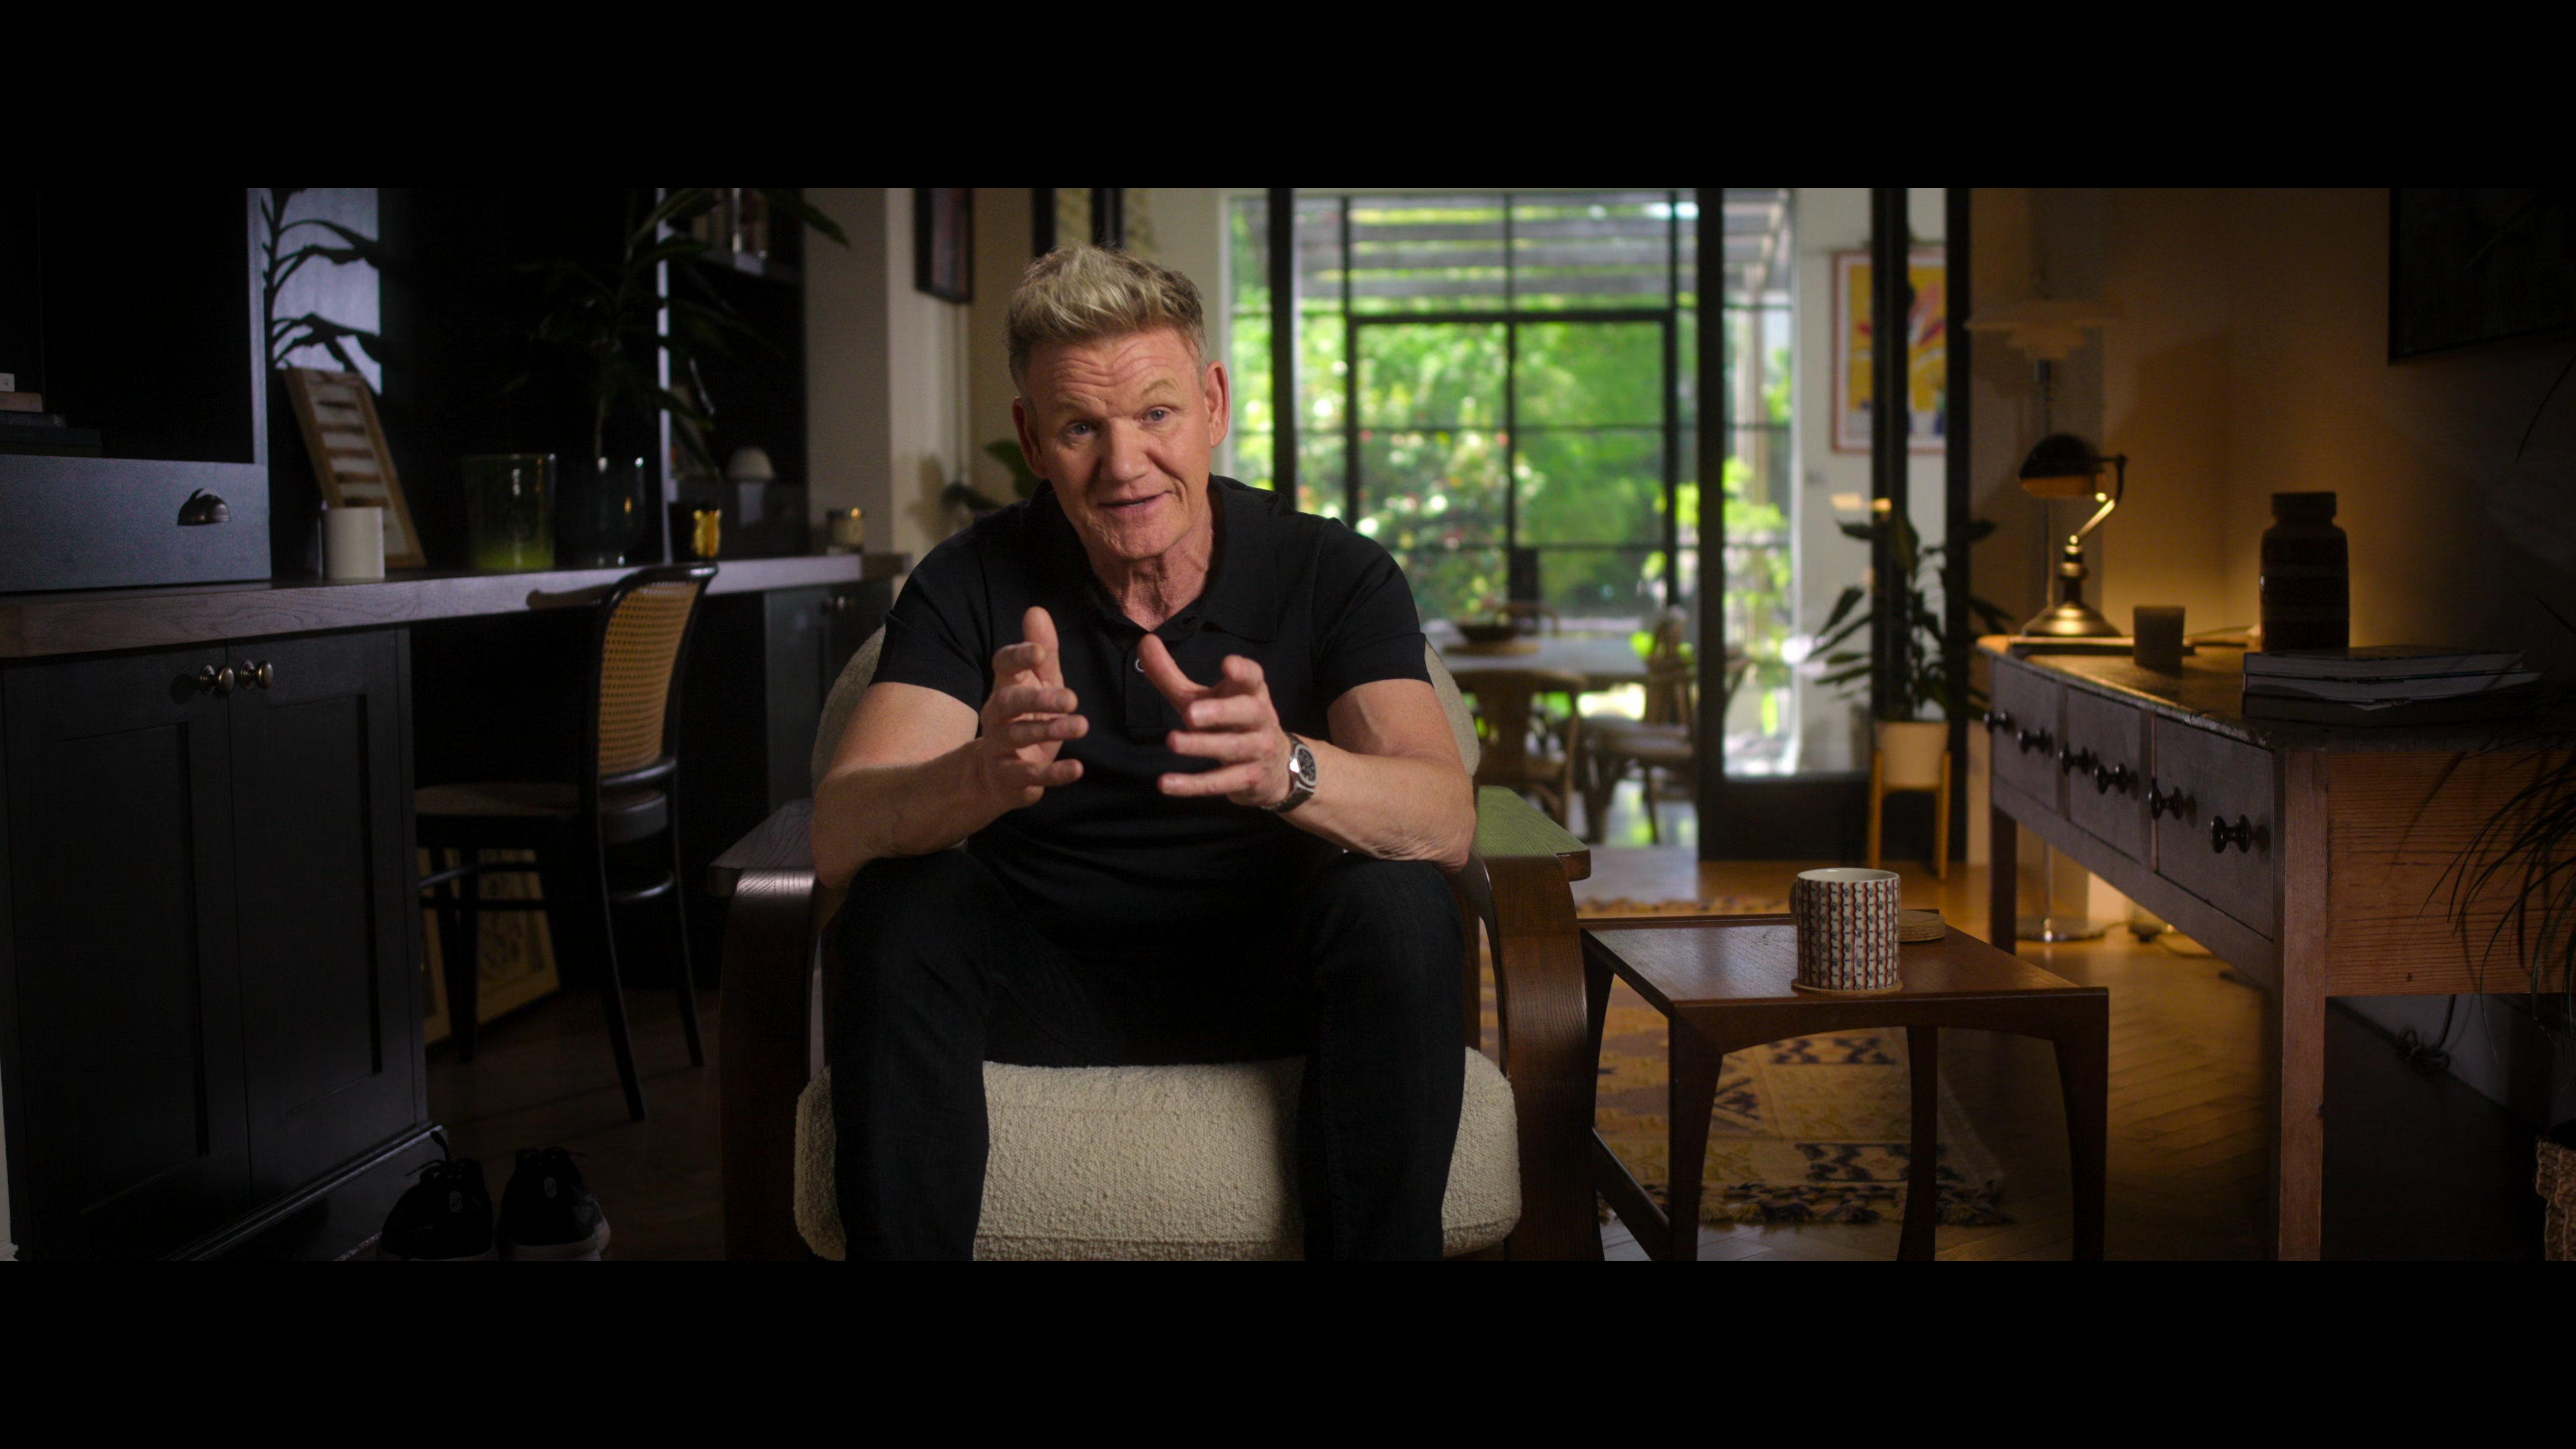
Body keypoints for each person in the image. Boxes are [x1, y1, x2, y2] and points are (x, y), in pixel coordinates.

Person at [810, 244, 1477, 1260]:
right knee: (901, 905)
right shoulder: (970, 579)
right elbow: (839, 832)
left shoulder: (1331, 571)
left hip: (1275, 980)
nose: (1124, 466)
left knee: (1403, 900)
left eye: (1156, 414)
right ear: (1033, 439)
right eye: (1081, 427)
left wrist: (1288, 770)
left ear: (1213, 403)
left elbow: (1446, 818)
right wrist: (975, 776)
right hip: (1040, 989)